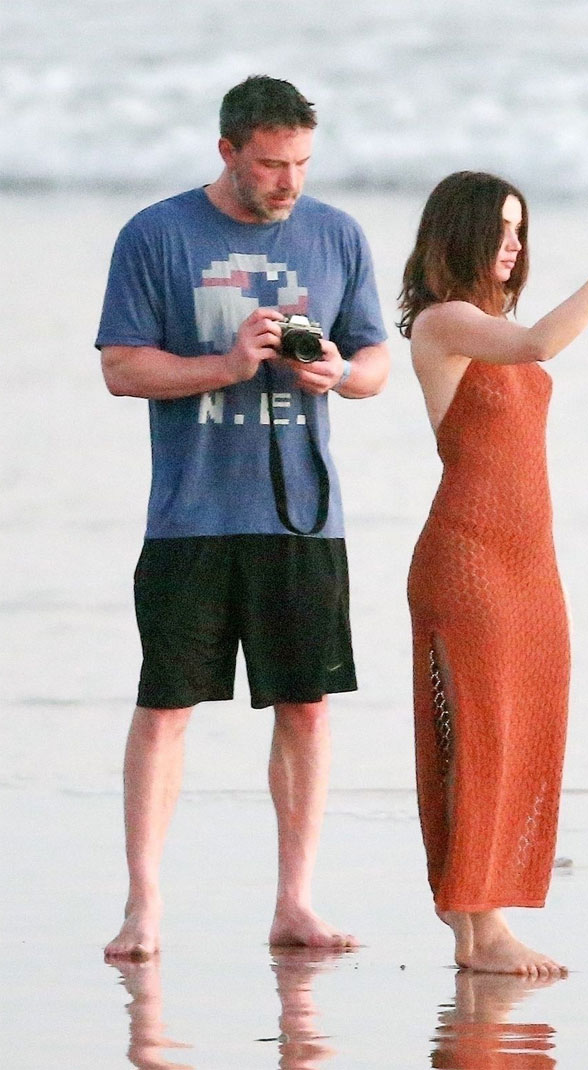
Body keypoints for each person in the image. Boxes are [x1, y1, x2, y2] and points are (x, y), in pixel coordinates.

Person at [96, 75, 390, 960]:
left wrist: (338, 373)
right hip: (190, 515)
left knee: (306, 707)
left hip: (303, 517)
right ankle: (144, 906)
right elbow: (120, 367)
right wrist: (225, 366)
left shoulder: (337, 234)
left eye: (301, 162)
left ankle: (295, 903)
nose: (288, 181)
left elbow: (376, 361)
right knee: (165, 706)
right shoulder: (156, 234)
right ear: (227, 151)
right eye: (269, 164)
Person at [398, 171, 588, 975]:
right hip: (469, 557)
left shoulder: (492, 325)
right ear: (459, 234)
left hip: (529, 562)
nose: (514, 245)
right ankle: (476, 926)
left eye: (520, 229)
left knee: (525, 730)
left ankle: (482, 919)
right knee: (479, 734)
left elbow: (528, 343)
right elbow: (539, 346)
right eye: (499, 229)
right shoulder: (444, 323)